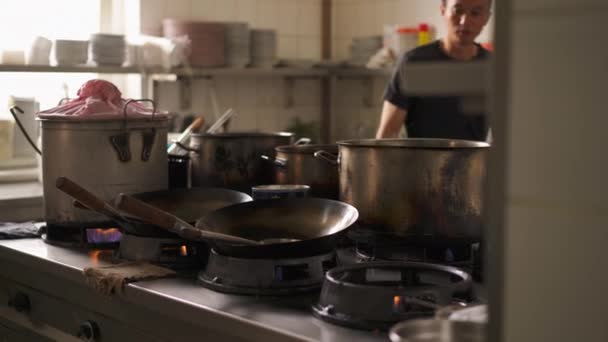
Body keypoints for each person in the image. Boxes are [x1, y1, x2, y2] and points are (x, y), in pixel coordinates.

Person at [376, 0, 492, 141]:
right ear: (443, 10)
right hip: (420, 161)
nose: (464, 21)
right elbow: (387, 135)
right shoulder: (414, 63)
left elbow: (506, 136)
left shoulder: (494, 68)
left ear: (486, 18)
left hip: (473, 162)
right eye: (458, 10)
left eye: (475, 13)